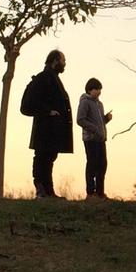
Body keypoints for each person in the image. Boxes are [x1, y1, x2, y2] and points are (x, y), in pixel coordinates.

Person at [27, 50, 73, 199]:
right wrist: (48, 112)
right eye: (63, 60)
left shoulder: (53, 78)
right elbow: (30, 104)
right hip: (44, 128)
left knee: (49, 157)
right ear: (55, 61)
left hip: (53, 129)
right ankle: (40, 189)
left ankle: (49, 190)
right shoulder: (43, 78)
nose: (65, 63)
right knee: (42, 157)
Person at [76, 77, 113, 200]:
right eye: (96, 89)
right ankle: (90, 193)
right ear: (90, 89)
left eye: (100, 89)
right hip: (90, 139)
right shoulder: (85, 102)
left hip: (101, 139)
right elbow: (80, 119)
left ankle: (100, 192)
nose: (99, 92)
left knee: (102, 165)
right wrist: (95, 129)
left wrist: (106, 119)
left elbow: (100, 121)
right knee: (92, 164)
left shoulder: (99, 104)